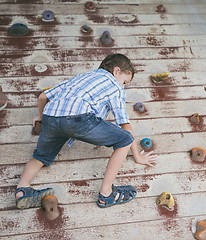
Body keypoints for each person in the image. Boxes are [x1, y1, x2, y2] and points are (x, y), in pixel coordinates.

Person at [15, 54, 157, 209]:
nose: (122, 86)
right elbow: (125, 127)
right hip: (79, 118)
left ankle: (22, 189)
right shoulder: (114, 86)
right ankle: (106, 194)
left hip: (51, 116)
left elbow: (43, 96)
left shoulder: (82, 77)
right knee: (124, 139)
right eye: (124, 82)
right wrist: (137, 156)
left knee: (40, 157)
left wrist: (40, 116)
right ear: (116, 71)